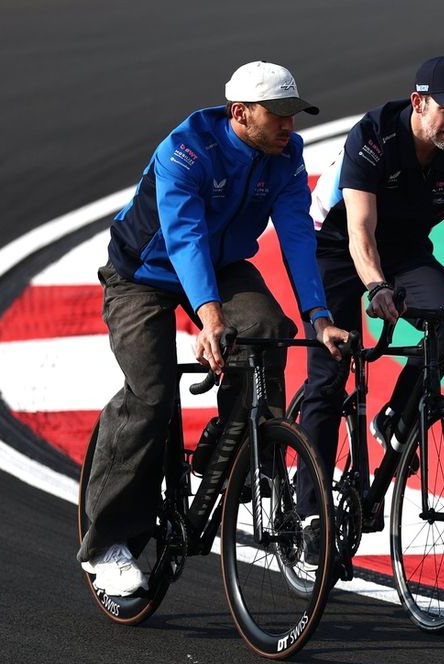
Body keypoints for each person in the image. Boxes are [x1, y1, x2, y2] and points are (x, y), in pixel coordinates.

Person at [78, 61, 349, 596]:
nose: (289, 125)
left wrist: (319, 317)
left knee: (269, 328)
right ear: (240, 113)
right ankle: (105, 544)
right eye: (278, 115)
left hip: (223, 268)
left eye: (294, 114)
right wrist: (210, 318)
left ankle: (237, 445)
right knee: (152, 395)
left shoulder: (286, 155)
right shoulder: (185, 150)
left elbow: (298, 234)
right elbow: (184, 238)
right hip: (143, 275)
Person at [299, 55, 444, 521]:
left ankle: (395, 420)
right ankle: (310, 515)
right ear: (418, 103)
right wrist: (377, 287)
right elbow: (360, 230)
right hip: (335, 245)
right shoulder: (374, 134)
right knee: (331, 373)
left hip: (404, 248)